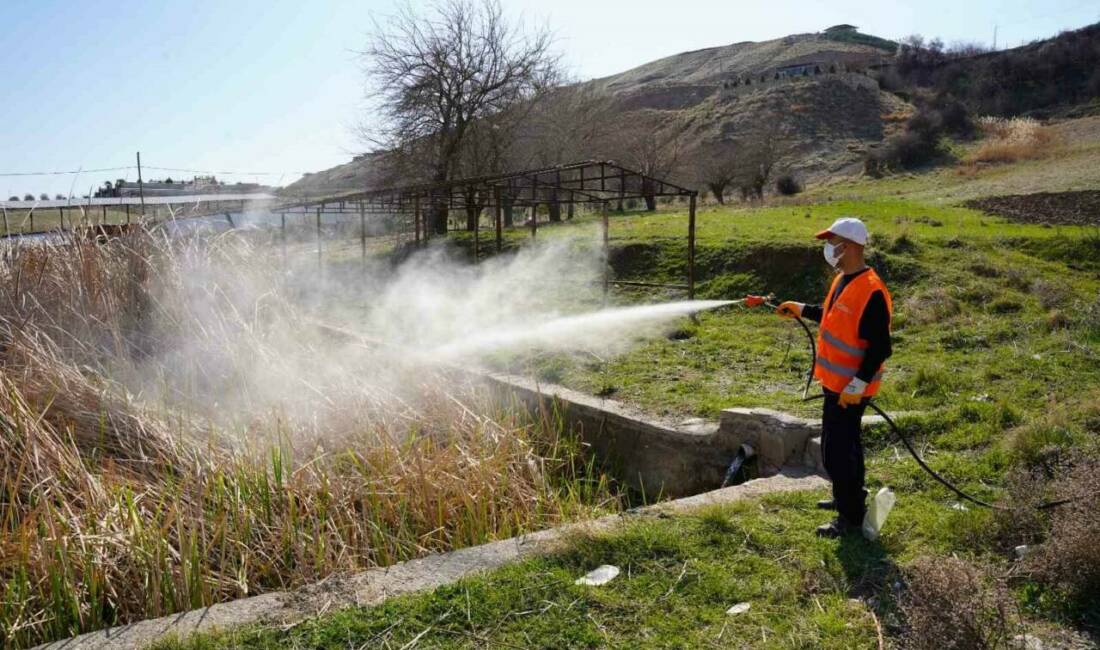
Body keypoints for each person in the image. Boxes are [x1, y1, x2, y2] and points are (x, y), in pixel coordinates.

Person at [775, 217, 893, 538]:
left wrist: (857, 384)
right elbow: (830, 316)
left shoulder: (871, 291)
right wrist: (800, 308)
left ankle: (850, 516)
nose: (829, 247)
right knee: (843, 445)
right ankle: (848, 497)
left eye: (833, 241)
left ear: (852, 246)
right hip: (837, 385)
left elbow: (881, 347)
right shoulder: (844, 279)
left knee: (837, 453)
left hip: (851, 388)